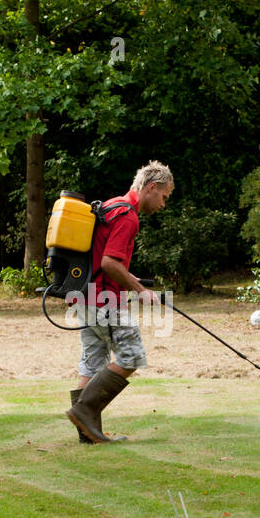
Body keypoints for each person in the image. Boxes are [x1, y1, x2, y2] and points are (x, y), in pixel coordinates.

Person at [66, 160, 173, 444]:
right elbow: (109, 263)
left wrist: (129, 277)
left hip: (84, 296)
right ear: (151, 188)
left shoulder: (112, 205)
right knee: (132, 355)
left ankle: (88, 433)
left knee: (92, 362)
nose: (163, 204)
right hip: (105, 301)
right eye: (164, 197)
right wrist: (139, 290)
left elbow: (105, 258)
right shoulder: (128, 216)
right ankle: (84, 411)